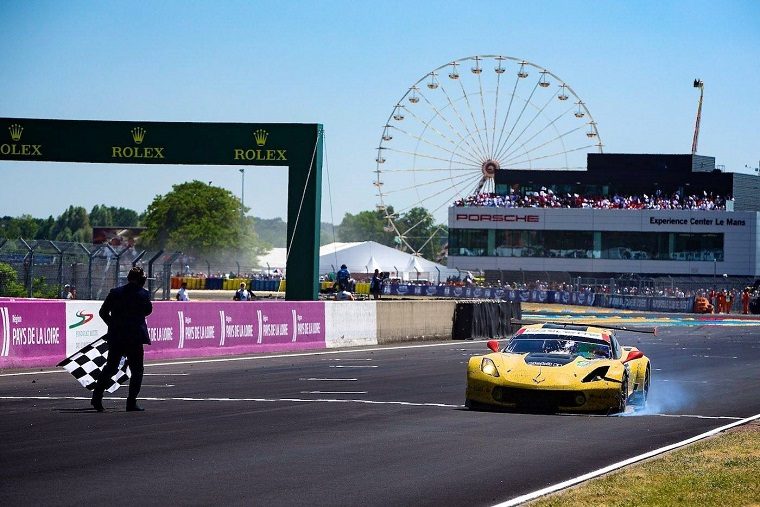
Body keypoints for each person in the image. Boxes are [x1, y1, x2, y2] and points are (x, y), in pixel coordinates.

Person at [91, 266, 153, 412]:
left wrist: (113, 325)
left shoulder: (115, 292)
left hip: (117, 336)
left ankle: (97, 397)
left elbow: (103, 312)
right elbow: (148, 311)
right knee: (137, 370)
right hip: (134, 337)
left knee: (111, 367)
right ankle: (131, 402)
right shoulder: (143, 294)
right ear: (141, 280)